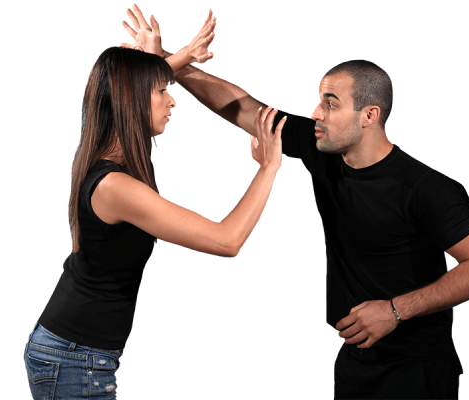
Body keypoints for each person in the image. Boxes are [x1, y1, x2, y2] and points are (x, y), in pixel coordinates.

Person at [122, 5, 469, 399]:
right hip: (356, 360)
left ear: (369, 115)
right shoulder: (323, 148)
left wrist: (394, 310)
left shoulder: (428, 188)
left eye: (331, 104)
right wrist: (169, 63)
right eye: (320, 101)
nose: (317, 113)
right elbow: (246, 108)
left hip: (418, 370)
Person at [24, 11, 288, 400]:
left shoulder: (104, 153)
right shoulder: (116, 187)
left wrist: (176, 56)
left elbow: (123, 88)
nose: (172, 101)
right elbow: (225, 240)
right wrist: (268, 167)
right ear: (133, 100)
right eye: (161, 91)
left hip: (74, 350)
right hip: (74, 358)